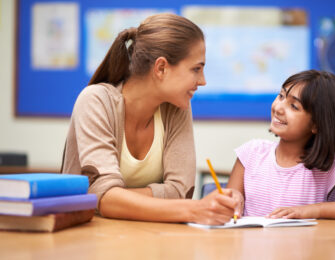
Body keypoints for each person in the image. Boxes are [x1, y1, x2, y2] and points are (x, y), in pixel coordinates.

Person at [61, 13, 237, 225]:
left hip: (151, 237)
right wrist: (192, 210)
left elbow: (181, 191)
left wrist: (116, 196)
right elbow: (104, 198)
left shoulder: (177, 107)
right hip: (89, 239)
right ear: (161, 68)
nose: (203, 81)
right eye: (196, 69)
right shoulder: (95, 101)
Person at [227, 69, 335, 220]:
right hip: (251, 250)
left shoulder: (330, 165)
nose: (279, 108)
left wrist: (315, 210)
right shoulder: (251, 153)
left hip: (305, 251)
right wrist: (232, 198)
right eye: (281, 96)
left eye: (294, 106)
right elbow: (229, 206)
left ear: (316, 124)